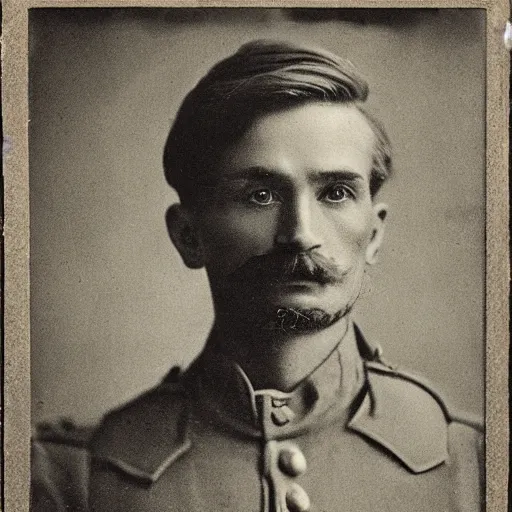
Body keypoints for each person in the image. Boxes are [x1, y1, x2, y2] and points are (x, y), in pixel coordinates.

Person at [31, 40, 483, 512]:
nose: (301, 234)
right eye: (261, 195)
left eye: (335, 192)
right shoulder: (75, 478)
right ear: (189, 236)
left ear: (373, 235)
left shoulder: (474, 464)